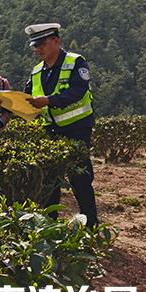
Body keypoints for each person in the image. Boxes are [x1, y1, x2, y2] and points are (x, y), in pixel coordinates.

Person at [24, 22, 98, 229]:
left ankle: (90, 226)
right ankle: (50, 226)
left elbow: (77, 92)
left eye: (41, 44)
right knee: (51, 179)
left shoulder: (76, 62)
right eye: (34, 46)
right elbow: (28, 96)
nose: (37, 50)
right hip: (51, 131)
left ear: (55, 41)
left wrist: (47, 100)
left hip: (77, 128)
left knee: (80, 178)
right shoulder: (37, 71)